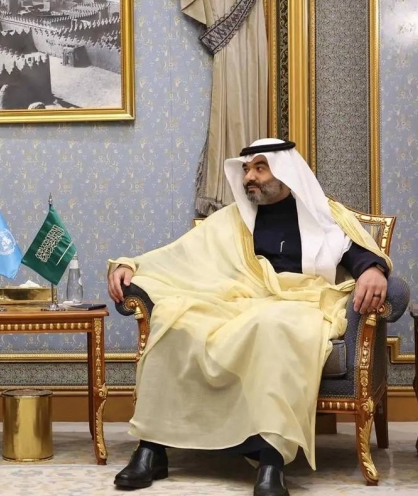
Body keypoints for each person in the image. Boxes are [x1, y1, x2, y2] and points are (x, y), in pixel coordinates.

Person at [108, 138, 391, 496]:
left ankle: (271, 459)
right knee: (173, 320)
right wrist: (130, 266)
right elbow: (177, 254)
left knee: (271, 326)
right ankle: (152, 448)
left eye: (260, 168)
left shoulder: (322, 215)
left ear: (285, 172)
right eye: (246, 170)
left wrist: (373, 271)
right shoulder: (232, 220)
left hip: (300, 303)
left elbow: (359, 254)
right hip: (236, 300)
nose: (249, 178)